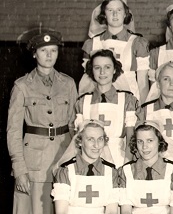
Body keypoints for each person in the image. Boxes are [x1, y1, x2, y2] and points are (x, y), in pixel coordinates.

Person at [7, 30, 78, 214]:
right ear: (34, 53)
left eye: (53, 51)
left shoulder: (68, 84)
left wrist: (75, 160)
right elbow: (13, 131)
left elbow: (74, 124)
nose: (49, 55)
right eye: (44, 50)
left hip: (62, 158)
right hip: (33, 163)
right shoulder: (22, 86)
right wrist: (19, 169)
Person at [75, 49, 140, 168]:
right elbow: (79, 138)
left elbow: (131, 138)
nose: (102, 72)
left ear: (115, 70)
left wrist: (126, 166)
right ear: (91, 71)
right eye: (97, 67)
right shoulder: (83, 101)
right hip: (90, 160)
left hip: (119, 160)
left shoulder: (127, 99)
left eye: (107, 67)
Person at [80, 0, 150, 103]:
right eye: (110, 10)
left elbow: (143, 83)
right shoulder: (92, 44)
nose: (115, 14)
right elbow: (87, 81)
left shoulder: (137, 43)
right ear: (104, 14)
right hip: (99, 100)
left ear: (125, 14)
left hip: (129, 100)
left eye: (119, 10)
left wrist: (143, 109)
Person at [52, 120, 119, 214]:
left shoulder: (111, 172)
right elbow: (61, 212)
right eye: (90, 139)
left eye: (100, 139)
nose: (96, 145)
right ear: (80, 142)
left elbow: (112, 211)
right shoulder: (66, 171)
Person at [119, 120, 173, 214]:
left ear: (159, 141)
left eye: (150, 141)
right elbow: (126, 210)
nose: (145, 147)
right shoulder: (126, 171)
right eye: (140, 141)